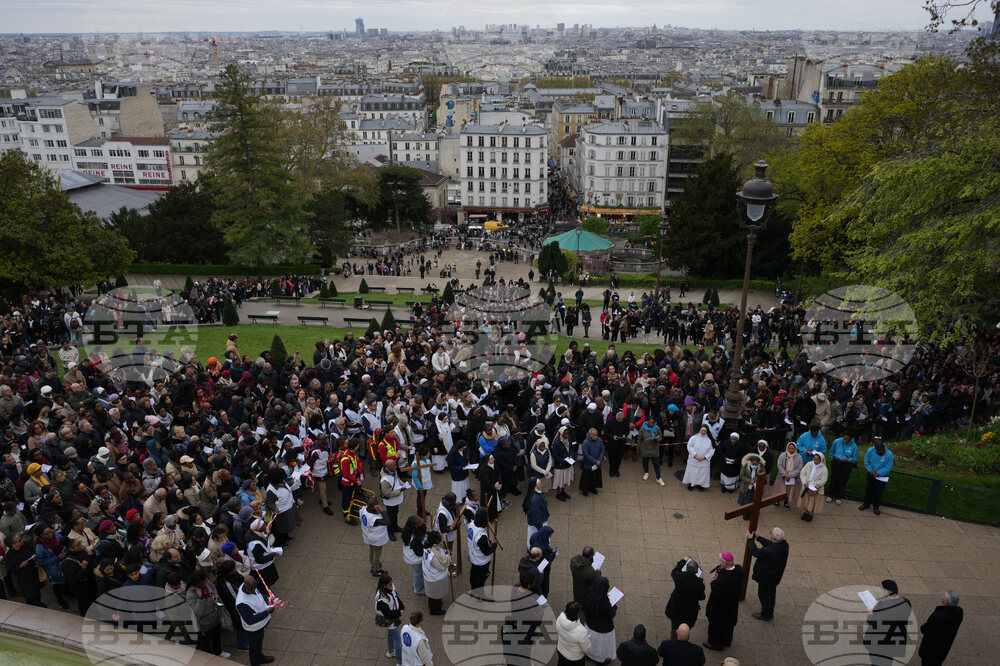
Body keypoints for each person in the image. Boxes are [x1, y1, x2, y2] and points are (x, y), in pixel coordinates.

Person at [864, 579, 912, 666]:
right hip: (894, 640)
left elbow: (875, 623)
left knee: (877, 661)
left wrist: (870, 614)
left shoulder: (885, 606)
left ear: (887, 591)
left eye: (884, 590)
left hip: (880, 643)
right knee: (887, 661)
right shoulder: (906, 602)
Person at [747, 527, 789, 622]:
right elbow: (771, 544)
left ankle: (766, 615)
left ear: (774, 538)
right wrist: (759, 538)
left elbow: (755, 552)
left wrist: (750, 540)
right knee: (771, 594)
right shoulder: (784, 545)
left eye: (770, 532)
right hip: (775, 576)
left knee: (763, 594)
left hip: (766, 578)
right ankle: (770, 611)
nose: (769, 533)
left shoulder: (769, 551)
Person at [703, 552, 742, 651]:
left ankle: (715, 644)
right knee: (728, 626)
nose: (720, 563)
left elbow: (718, 593)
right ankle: (726, 641)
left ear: (725, 563)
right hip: (731, 606)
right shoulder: (738, 569)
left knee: (717, 626)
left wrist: (714, 581)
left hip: (720, 608)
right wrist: (721, 570)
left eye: (721, 561)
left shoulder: (725, 580)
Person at [186, 568, 228, 657]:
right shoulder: (190, 594)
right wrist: (200, 597)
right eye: (203, 583)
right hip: (203, 622)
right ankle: (209, 658)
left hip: (214, 616)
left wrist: (214, 600)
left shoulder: (205, 584)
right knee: (205, 642)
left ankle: (218, 652)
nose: (205, 583)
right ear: (197, 583)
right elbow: (198, 612)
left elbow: (213, 591)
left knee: (216, 636)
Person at [235, 575, 276, 666]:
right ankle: (255, 663)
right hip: (254, 628)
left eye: (255, 588)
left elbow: (258, 594)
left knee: (258, 644)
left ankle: (260, 657)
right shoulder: (241, 602)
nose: (254, 591)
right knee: (254, 648)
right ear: (246, 586)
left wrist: (266, 598)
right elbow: (250, 620)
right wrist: (267, 612)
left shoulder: (250, 587)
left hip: (260, 625)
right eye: (252, 590)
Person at [918, 589, 963, 666]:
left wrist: (923, 627)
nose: (941, 597)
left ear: (946, 602)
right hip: (944, 647)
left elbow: (926, 629)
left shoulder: (938, 616)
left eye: (943, 596)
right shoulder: (959, 611)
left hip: (931, 649)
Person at [665, 558, 705, 638]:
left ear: (686, 569)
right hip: (690, 611)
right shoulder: (699, 584)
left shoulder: (679, 578)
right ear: (697, 571)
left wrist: (683, 560)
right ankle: (684, 638)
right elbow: (702, 597)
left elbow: (674, 571)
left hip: (676, 608)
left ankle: (674, 640)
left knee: (674, 627)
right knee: (686, 628)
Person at [581, 575, 617, 664]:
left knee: (590, 642)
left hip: (590, 625)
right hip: (603, 629)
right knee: (602, 647)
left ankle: (589, 655)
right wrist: (614, 605)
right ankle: (601, 660)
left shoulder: (589, 593)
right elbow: (611, 614)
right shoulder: (605, 602)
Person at [375, 574, 405, 665]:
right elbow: (388, 614)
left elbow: (396, 597)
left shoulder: (389, 589)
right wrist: (399, 613)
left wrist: (401, 606)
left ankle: (390, 651)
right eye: (389, 584)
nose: (392, 585)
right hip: (388, 619)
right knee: (398, 640)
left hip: (391, 618)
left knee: (390, 633)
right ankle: (400, 663)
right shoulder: (381, 600)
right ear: (384, 585)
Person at [860, 438, 894, 516]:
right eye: (876, 449)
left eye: (880, 450)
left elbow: (888, 467)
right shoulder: (870, 451)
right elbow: (866, 461)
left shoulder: (889, 455)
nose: (878, 451)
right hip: (871, 474)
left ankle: (876, 507)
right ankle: (866, 504)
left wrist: (878, 473)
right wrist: (872, 471)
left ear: (883, 447)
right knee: (868, 490)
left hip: (881, 476)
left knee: (878, 492)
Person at [421, 531, 450, 616]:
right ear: (436, 541)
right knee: (434, 595)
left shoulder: (428, 546)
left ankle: (436, 604)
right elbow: (440, 567)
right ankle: (435, 610)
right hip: (435, 578)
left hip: (430, 575)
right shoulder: (432, 555)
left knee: (434, 594)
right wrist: (448, 559)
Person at [467, 508, 495, 594]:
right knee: (480, 580)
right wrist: (494, 545)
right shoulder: (481, 536)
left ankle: (473, 591)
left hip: (473, 558)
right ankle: (480, 597)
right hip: (481, 561)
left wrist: (488, 542)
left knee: (474, 577)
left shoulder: (471, 524)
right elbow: (487, 551)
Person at [360, 500, 390, 578]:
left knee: (371, 550)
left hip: (368, 536)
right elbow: (387, 521)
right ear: (375, 506)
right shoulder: (374, 518)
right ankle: (376, 570)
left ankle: (373, 565)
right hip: (376, 539)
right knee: (376, 553)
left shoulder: (364, 510)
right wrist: (381, 511)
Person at [556, 601, 591, 666]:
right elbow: (586, 649)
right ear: (577, 614)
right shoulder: (582, 631)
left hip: (561, 651)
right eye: (580, 611)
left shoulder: (559, 619)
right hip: (574, 658)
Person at [827, 433, 858, 505]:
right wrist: (832, 460)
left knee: (842, 481)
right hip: (836, 462)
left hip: (846, 465)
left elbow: (855, 458)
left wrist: (848, 460)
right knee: (833, 479)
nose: (846, 440)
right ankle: (830, 495)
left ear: (851, 439)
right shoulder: (837, 441)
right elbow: (832, 452)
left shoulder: (854, 446)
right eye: (845, 439)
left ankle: (838, 496)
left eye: (848, 439)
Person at [380, 458, 406, 540]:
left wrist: (403, 485)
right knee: (390, 516)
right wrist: (399, 491)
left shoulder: (393, 472)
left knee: (395, 513)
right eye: (394, 465)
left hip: (396, 499)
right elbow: (386, 493)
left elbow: (397, 480)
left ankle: (395, 527)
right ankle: (390, 531)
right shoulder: (385, 480)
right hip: (390, 501)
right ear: (388, 467)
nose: (396, 466)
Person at [798, 453, 828, 522]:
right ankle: (806, 512)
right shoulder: (809, 464)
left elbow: (823, 480)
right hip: (806, 486)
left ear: (821, 460)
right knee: (805, 500)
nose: (815, 461)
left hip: (815, 489)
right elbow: (802, 473)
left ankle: (811, 514)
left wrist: (812, 484)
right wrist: (805, 482)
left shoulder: (824, 469)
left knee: (812, 502)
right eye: (814, 459)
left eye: (817, 459)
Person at [682, 426, 714, 491]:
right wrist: (695, 456)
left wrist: (704, 457)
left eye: (705, 431)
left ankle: (701, 485)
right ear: (699, 430)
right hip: (694, 460)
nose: (703, 432)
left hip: (704, 461)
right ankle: (692, 484)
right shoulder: (694, 438)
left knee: (702, 474)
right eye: (702, 430)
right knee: (693, 473)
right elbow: (689, 446)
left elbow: (712, 450)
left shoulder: (709, 440)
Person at [774, 442, 803, 510]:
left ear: (795, 449)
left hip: (793, 477)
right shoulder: (782, 455)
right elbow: (779, 465)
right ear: (787, 448)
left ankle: (786, 502)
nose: (791, 450)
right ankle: (777, 501)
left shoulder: (799, 457)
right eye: (789, 448)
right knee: (780, 489)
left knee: (788, 491)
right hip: (782, 476)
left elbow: (799, 468)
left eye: (793, 448)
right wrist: (784, 474)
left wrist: (790, 475)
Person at [402, 515, 427, 594]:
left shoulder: (408, 531)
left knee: (418, 573)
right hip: (415, 559)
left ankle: (417, 584)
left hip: (411, 555)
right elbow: (419, 553)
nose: (422, 521)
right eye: (419, 522)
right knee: (418, 573)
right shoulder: (414, 539)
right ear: (415, 525)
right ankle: (418, 589)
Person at [570, 546, 601, 610]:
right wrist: (598, 572)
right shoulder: (591, 573)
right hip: (585, 594)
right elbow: (597, 582)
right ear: (591, 557)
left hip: (576, 590)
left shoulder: (573, 561)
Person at [637, 420, 665, 486]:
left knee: (656, 464)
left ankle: (658, 478)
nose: (652, 424)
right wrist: (638, 448)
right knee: (645, 462)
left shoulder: (657, 428)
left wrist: (657, 439)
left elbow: (660, 437)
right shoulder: (642, 429)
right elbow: (639, 439)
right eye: (650, 423)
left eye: (653, 423)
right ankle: (646, 473)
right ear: (647, 422)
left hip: (654, 450)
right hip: (645, 449)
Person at [579, 428, 604, 497]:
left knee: (595, 477)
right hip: (589, 464)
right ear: (590, 435)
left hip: (597, 464)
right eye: (594, 435)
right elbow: (586, 455)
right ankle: (585, 490)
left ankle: (593, 488)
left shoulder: (599, 440)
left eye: (596, 435)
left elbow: (602, 450)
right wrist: (595, 461)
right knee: (587, 478)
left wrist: (600, 459)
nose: (596, 436)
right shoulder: (585, 442)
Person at [525, 478, 549, 548]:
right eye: (539, 484)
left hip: (537, 521)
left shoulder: (535, 493)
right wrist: (540, 528)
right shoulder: (535, 500)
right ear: (535, 486)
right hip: (538, 523)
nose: (541, 485)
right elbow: (535, 516)